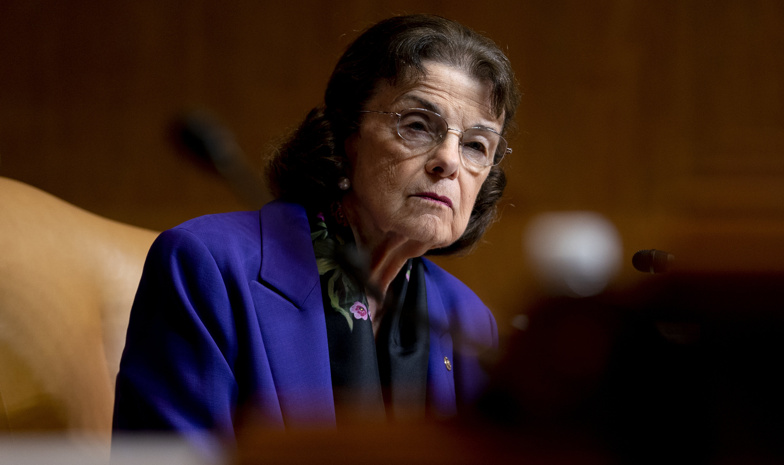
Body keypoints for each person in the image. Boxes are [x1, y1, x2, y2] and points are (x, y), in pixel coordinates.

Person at [112, 14, 520, 441]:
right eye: (417, 125)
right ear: (346, 136)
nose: (449, 161)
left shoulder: (466, 320)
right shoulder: (207, 266)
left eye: (476, 145)